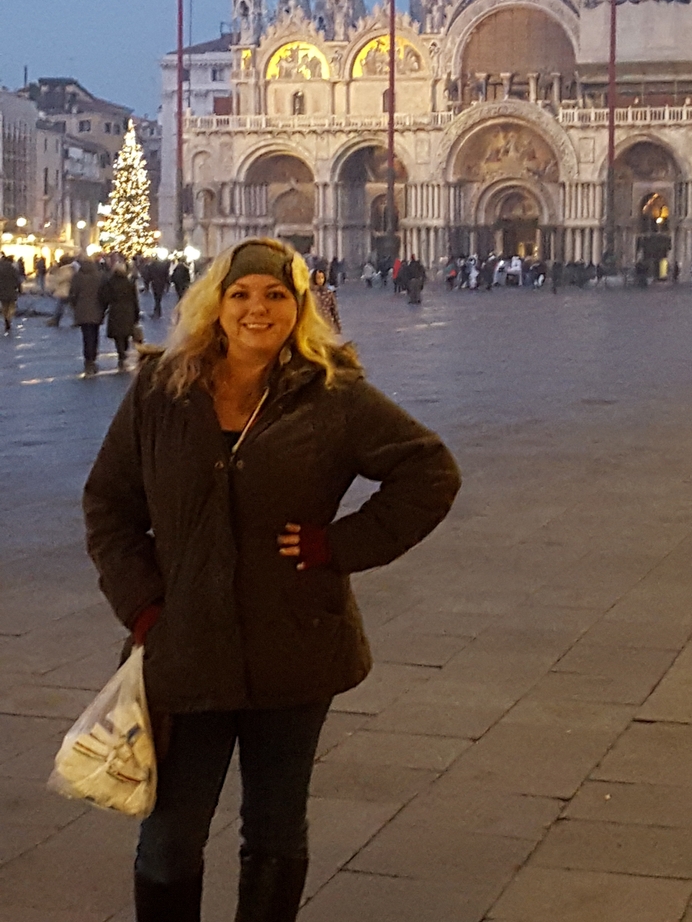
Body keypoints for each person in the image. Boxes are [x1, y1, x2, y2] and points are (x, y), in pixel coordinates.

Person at [82, 238, 460, 922]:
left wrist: (338, 545)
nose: (258, 308)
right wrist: (142, 607)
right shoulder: (162, 390)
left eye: (276, 295)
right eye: (242, 294)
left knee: (276, 831)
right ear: (216, 304)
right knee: (170, 835)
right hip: (184, 647)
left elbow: (430, 471)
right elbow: (108, 505)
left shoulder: (333, 393)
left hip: (297, 644)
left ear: (299, 306)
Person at [100, 260, 140, 370]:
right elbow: (134, 300)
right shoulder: (129, 283)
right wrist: (136, 314)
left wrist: (103, 310)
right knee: (126, 334)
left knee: (118, 336)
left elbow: (105, 298)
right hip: (128, 311)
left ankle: (121, 354)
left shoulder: (110, 282)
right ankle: (124, 352)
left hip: (115, 311)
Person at [69, 256, 106, 375]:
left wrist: (75, 306)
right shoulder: (99, 276)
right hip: (96, 309)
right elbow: (103, 293)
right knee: (95, 335)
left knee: (86, 336)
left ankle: (88, 359)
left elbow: (73, 293)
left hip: (82, 310)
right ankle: (93, 357)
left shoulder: (77, 277)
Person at [46, 255, 76, 327]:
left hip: (65, 290)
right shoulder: (70, 268)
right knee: (68, 307)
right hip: (67, 290)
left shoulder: (66, 269)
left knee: (61, 306)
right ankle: (75, 320)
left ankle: (56, 320)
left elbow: (60, 279)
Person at [310, 267, 341, 333]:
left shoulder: (328, 293)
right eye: (318, 278)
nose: (321, 280)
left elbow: (334, 310)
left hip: (327, 323)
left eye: (322, 278)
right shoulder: (310, 294)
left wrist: (338, 326)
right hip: (315, 324)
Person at [0, 253, 21, 334]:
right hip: (11, 289)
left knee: (4, 306)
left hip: (1, 290)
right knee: (12, 305)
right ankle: (9, 317)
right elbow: (17, 279)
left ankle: (6, 318)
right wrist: (19, 289)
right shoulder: (13, 269)